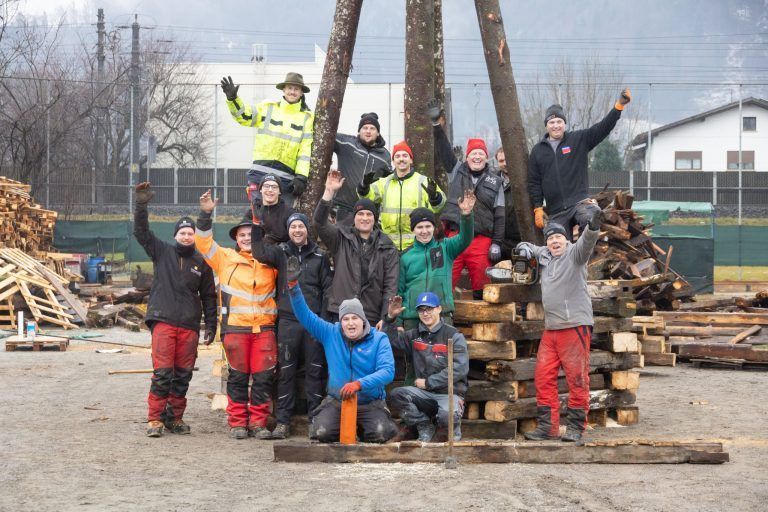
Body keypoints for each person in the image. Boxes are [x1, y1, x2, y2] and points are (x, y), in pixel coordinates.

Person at [133, 182, 217, 438]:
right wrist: (141, 205)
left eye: (190, 233)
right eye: (182, 233)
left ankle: (174, 418)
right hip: (164, 321)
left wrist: (211, 326)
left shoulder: (201, 263)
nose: (187, 236)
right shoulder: (162, 252)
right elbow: (141, 232)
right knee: (163, 374)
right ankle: (155, 419)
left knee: (182, 376)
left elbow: (209, 297)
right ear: (175, 236)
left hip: (189, 326)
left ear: (194, 236)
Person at [195, 189, 278, 440]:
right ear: (236, 238)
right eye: (242, 235)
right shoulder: (225, 259)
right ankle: (238, 422)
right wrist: (205, 214)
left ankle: (259, 423)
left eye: (250, 234)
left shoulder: (270, 261)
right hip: (236, 330)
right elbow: (203, 243)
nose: (246, 238)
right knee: (238, 378)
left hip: (264, 329)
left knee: (263, 379)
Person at [514, 211, 603, 443]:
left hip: (574, 325)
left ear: (567, 240)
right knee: (543, 377)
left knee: (576, 378)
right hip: (551, 328)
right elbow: (530, 247)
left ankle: (575, 428)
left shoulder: (575, 254)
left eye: (558, 238)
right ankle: (548, 427)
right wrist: (523, 248)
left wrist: (592, 227)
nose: (554, 242)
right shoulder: (545, 254)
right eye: (550, 238)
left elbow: (587, 242)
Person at [286, 259, 398, 443]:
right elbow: (305, 316)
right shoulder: (331, 333)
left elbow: (388, 372)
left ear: (363, 320)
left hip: (370, 403)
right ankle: (346, 426)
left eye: (355, 318)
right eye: (346, 319)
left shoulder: (379, 339)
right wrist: (293, 286)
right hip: (337, 401)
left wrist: (358, 384)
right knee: (322, 433)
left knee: (381, 433)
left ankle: (361, 427)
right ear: (341, 322)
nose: (350, 323)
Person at [248, 208, 333, 439]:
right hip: (287, 321)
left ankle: (316, 421)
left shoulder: (319, 256)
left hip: (313, 323)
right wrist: (256, 225)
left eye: (301, 226)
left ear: (307, 230)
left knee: (315, 372)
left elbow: (327, 290)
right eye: (293, 226)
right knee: (286, 372)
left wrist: (323, 321)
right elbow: (258, 252)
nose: (297, 230)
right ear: (288, 230)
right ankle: (283, 422)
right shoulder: (281, 253)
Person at [528, 89, 631, 239]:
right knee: (557, 244)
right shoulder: (537, 151)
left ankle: (588, 259)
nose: (555, 125)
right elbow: (534, 182)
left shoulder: (578, 140)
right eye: (551, 122)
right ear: (546, 125)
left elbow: (602, 128)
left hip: (579, 204)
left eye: (559, 122)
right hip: (556, 211)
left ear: (564, 123)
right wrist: (537, 207)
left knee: (590, 221)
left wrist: (619, 106)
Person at [432, 113, 505, 299]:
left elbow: (500, 215)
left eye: (481, 153)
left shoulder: (496, 181)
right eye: (474, 153)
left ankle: (482, 320)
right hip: (455, 236)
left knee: (482, 281)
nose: (477, 157)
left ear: (487, 158)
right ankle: (443, 317)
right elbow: (445, 151)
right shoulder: (456, 171)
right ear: (467, 156)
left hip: (481, 239)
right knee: (446, 279)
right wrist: (436, 127)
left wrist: (496, 243)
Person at [313, 169, 399, 325]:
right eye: (360, 214)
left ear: (375, 219)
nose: (364, 218)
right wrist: (329, 192)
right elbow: (319, 222)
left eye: (369, 214)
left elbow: (390, 286)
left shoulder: (388, 247)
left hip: (371, 315)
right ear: (354, 218)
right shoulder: (341, 238)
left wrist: (385, 317)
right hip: (341, 313)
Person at [382, 293, 469, 442]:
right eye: (421, 310)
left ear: (439, 309)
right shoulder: (414, 336)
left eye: (429, 308)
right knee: (397, 395)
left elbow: (459, 369)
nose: (425, 313)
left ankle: (448, 431)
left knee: (447, 417)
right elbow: (388, 340)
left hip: (450, 394)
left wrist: (429, 382)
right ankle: (424, 425)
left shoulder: (453, 336)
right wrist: (390, 318)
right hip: (423, 395)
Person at [220, 72, 314, 206]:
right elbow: (244, 116)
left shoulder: (307, 118)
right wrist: (233, 98)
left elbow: (305, 151)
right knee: (259, 219)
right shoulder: (268, 108)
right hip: (260, 173)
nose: (292, 92)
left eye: (296, 89)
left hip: (286, 178)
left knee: (281, 223)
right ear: (284, 89)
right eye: (290, 88)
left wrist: (301, 177)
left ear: (301, 93)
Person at [397, 190, 475, 330]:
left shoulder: (445, 247)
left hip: (442, 315)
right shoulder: (405, 256)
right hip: (413, 318)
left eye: (428, 226)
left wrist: (466, 215)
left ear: (434, 227)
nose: (424, 231)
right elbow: (399, 291)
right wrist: (398, 322)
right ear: (413, 230)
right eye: (419, 227)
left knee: (443, 352)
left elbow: (465, 238)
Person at [357, 140, 446, 252]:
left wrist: (434, 197)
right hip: (388, 245)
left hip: (416, 245)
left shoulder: (423, 181)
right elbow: (366, 198)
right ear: (393, 161)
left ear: (411, 160)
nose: (401, 159)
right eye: (397, 156)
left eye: (405, 155)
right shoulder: (384, 183)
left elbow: (440, 207)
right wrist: (364, 186)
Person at [333, 112, 393, 221]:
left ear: (378, 133)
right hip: (345, 207)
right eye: (365, 128)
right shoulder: (347, 143)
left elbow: (389, 184)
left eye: (372, 128)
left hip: (369, 211)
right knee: (342, 238)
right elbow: (326, 133)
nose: (368, 131)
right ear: (359, 131)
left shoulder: (385, 156)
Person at [246, 173, 294, 244]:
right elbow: (243, 236)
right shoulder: (252, 211)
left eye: (274, 187)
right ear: (260, 190)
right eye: (266, 186)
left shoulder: (289, 213)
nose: (270, 190)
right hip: (255, 252)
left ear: (279, 191)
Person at [491, 147, 522, 259]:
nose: (505, 163)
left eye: (507, 159)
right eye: (501, 161)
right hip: (499, 238)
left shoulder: (524, 178)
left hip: (520, 237)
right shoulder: (492, 181)